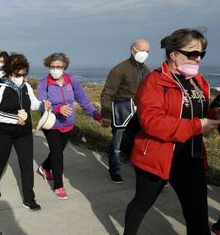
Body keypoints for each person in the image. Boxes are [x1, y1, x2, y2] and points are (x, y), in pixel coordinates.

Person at [123, 29, 220, 235]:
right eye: (192, 54)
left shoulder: (198, 81)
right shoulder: (154, 82)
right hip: (158, 156)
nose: (198, 59)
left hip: (191, 156)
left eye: (202, 54)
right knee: (142, 203)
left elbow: (198, 112)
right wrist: (198, 125)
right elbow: (152, 122)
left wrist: (214, 113)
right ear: (173, 54)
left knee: (198, 213)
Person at [36, 53, 102, 199]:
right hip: (52, 124)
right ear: (48, 66)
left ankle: (45, 167)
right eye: (52, 66)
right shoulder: (43, 83)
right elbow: (41, 105)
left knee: (56, 151)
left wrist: (95, 114)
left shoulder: (71, 80)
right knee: (58, 154)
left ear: (64, 66)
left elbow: (83, 100)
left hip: (68, 124)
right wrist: (58, 109)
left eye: (58, 67)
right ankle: (59, 186)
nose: (55, 69)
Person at [0, 53, 43, 211]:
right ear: (10, 72)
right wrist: (14, 119)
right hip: (3, 132)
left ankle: (29, 199)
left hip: (24, 132)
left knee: (26, 165)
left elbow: (33, 104)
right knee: (1, 160)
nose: (22, 77)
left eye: (25, 74)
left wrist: (44, 105)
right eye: (18, 74)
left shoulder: (26, 86)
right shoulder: (0, 87)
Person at [100, 39, 151, 184]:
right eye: (142, 50)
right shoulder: (120, 69)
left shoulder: (147, 70)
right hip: (122, 113)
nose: (145, 54)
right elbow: (107, 93)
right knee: (117, 145)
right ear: (133, 50)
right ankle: (114, 171)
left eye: (147, 51)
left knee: (141, 145)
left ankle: (146, 173)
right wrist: (106, 114)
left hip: (141, 114)